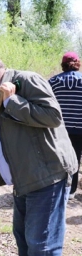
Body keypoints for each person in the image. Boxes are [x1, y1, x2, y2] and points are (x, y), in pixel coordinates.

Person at [0, 52, 78, 256]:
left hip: (47, 176)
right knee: (25, 240)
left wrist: (12, 101)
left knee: (42, 246)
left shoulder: (27, 81)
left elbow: (53, 116)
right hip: (23, 180)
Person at [48, 52, 82, 200]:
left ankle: (62, 188)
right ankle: (72, 190)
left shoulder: (52, 82)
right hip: (80, 128)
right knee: (77, 157)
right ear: (77, 63)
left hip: (59, 129)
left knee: (59, 158)